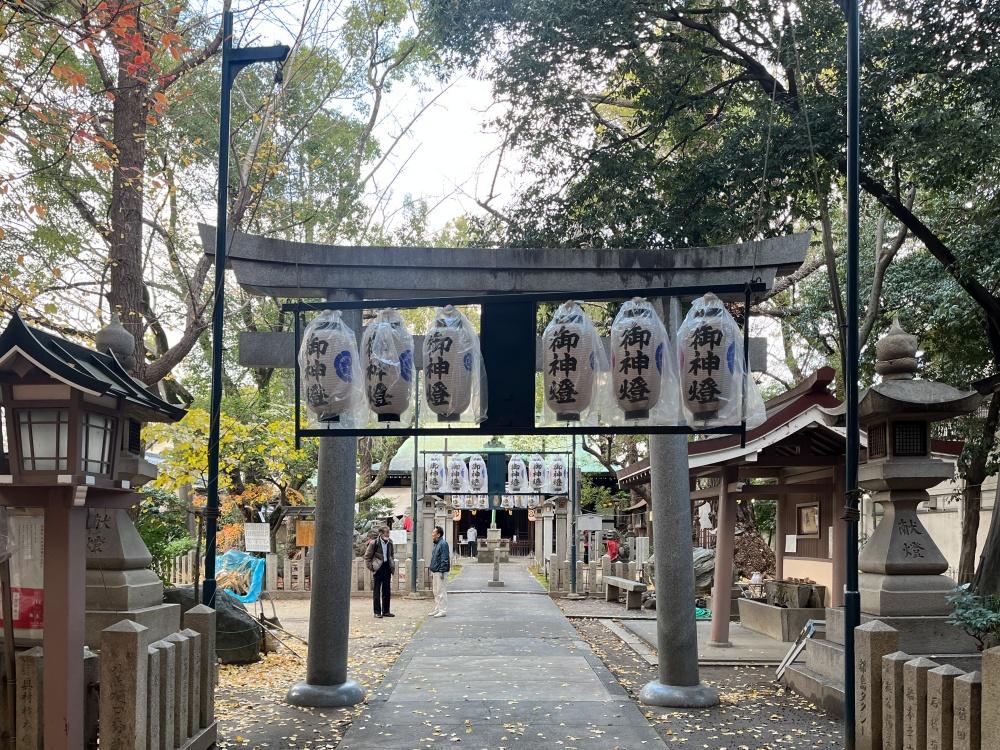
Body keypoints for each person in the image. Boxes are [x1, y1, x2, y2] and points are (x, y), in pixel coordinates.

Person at [364, 525, 395, 618]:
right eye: (386, 533)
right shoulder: (374, 543)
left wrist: (392, 563)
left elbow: (391, 554)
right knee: (377, 591)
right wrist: (372, 567)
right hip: (378, 568)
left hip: (387, 567)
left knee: (387, 591)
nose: (388, 535)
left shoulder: (390, 542)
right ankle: (377, 612)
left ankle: (386, 611)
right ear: (381, 533)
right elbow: (367, 557)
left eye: (389, 533)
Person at [428, 525, 451, 618]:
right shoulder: (436, 544)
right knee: (436, 591)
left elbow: (444, 558)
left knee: (441, 591)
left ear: (438, 534)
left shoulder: (443, 544)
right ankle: (437, 608)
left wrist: (442, 570)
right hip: (435, 570)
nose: (432, 534)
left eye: (434, 532)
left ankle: (442, 610)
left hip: (440, 571)